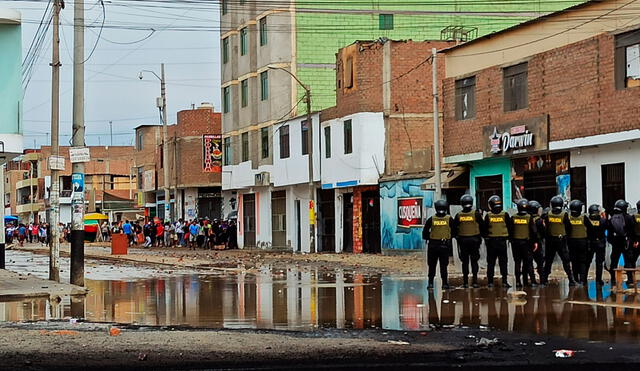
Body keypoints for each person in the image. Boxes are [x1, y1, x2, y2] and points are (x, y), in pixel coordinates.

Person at [542, 196, 575, 286]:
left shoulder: (547, 214)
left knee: (548, 261)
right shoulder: (564, 214)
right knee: (566, 261)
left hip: (550, 241)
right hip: (561, 241)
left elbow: (545, 225)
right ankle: (571, 280)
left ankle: (544, 280)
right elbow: (568, 227)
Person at [452, 194, 483, 288]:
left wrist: (457, 237)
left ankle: (465, 282)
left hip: (463, 241)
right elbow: (482, 226)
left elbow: (454, 229)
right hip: (474, 241)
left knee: (465, 262)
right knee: (474, 261)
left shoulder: (458, 215)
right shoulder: (476, 214)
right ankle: (475, 281)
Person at [422, 199, 453, 290]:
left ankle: (430, 284)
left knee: (432, 265)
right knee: (444, 266)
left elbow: (425, 232)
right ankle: (445, 284)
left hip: (433, 245)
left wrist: (429, 238)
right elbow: (454, 231)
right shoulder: (449, 219)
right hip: (444, 245)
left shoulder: (431, 219)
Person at [483, 195, 511, 288]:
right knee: (503, 262)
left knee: (490, 263)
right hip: (502, 242)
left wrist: (486, 239)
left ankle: (490, 282)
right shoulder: (505, 214)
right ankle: (504, 282)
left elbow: (484, 229)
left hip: (491, 242)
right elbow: (510, 227)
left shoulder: (488, 216)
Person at [607, 199, 635, 284]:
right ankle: (630, 280)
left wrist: (612, 241)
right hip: (626, 242)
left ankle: (613, 279)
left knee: (614, 261)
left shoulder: (612, 218)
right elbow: (632, 231)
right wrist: (630, 240)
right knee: (628, 261)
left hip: (616, 242)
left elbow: (609, 233)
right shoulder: (628, 218)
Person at [510, 199, 536, 288]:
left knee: (517, 263)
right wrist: (535, 242)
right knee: (529, 263)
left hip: (516, 243)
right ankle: (532, 281)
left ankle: (518, 282)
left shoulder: (513, 217)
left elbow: (510, 230)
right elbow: (533, 231)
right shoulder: (529, 217)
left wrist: (512, 241)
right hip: (527, 243)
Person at [567, 199, 589, 285]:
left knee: (574, 261)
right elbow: (590, 227)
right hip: (582, 241)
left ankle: (575, 279)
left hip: (571, 242)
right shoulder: (584, 218)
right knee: (582, 261)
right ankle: (582, 280)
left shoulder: (568, 217)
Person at [586, 204, 608, 285]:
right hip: (600, 244)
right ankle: (598, 280)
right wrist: (603, 215)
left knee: (587, 262)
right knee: (599, 263)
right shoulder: (603, 221)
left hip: (590, 243)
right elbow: (606, 224)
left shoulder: (587, 220)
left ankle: (584, 280)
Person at [527, 200, 545, 285]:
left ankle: (532, 281)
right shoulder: (539, 221)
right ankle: (542, 281)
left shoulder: (527, 219)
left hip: (527, 242)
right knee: (540, 263)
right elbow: (543, 232)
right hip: (537, 243)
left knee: (529, 263)